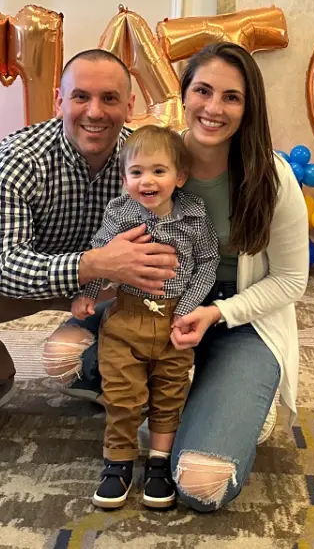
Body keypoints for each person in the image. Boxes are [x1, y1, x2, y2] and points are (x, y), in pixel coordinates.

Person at [44, 42, 309, 512]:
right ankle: (159, 395)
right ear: (183, 94)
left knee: (202, 484)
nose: (213, 107)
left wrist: (214, 312)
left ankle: (227, 399)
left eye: (232, 97)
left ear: (249, 108)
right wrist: (98, 279)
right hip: (144, 304)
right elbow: (110, 236)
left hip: (236, 313)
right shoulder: (149, 158)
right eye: (203, 90)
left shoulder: (273, 176)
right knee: (62, 357)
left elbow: (291, 282)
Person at [0, 49, 179, 442]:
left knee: (173, 283)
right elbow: (6, 268)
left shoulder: (146, 158)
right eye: (81, 97)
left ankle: (109, 373)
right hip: (10, 266)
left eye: (110, 98)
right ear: (59, 101)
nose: (95, 112)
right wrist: (94, 263)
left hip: (103, 280)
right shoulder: (19, 156)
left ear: (130, 105)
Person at [73, 125, 219, 509]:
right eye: (136, 172)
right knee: (123, 395)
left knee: (169, 393)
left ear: (180, 177)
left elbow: (207, 263)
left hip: (175, 321)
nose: (147, 181)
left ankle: (158, 461)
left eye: (158, 171)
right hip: (125, 319)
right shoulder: (121, 214)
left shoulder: (192, 216)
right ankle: (118, 461)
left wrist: (187, 309)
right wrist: (88, 293)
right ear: (124, 179)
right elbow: (101, 256)